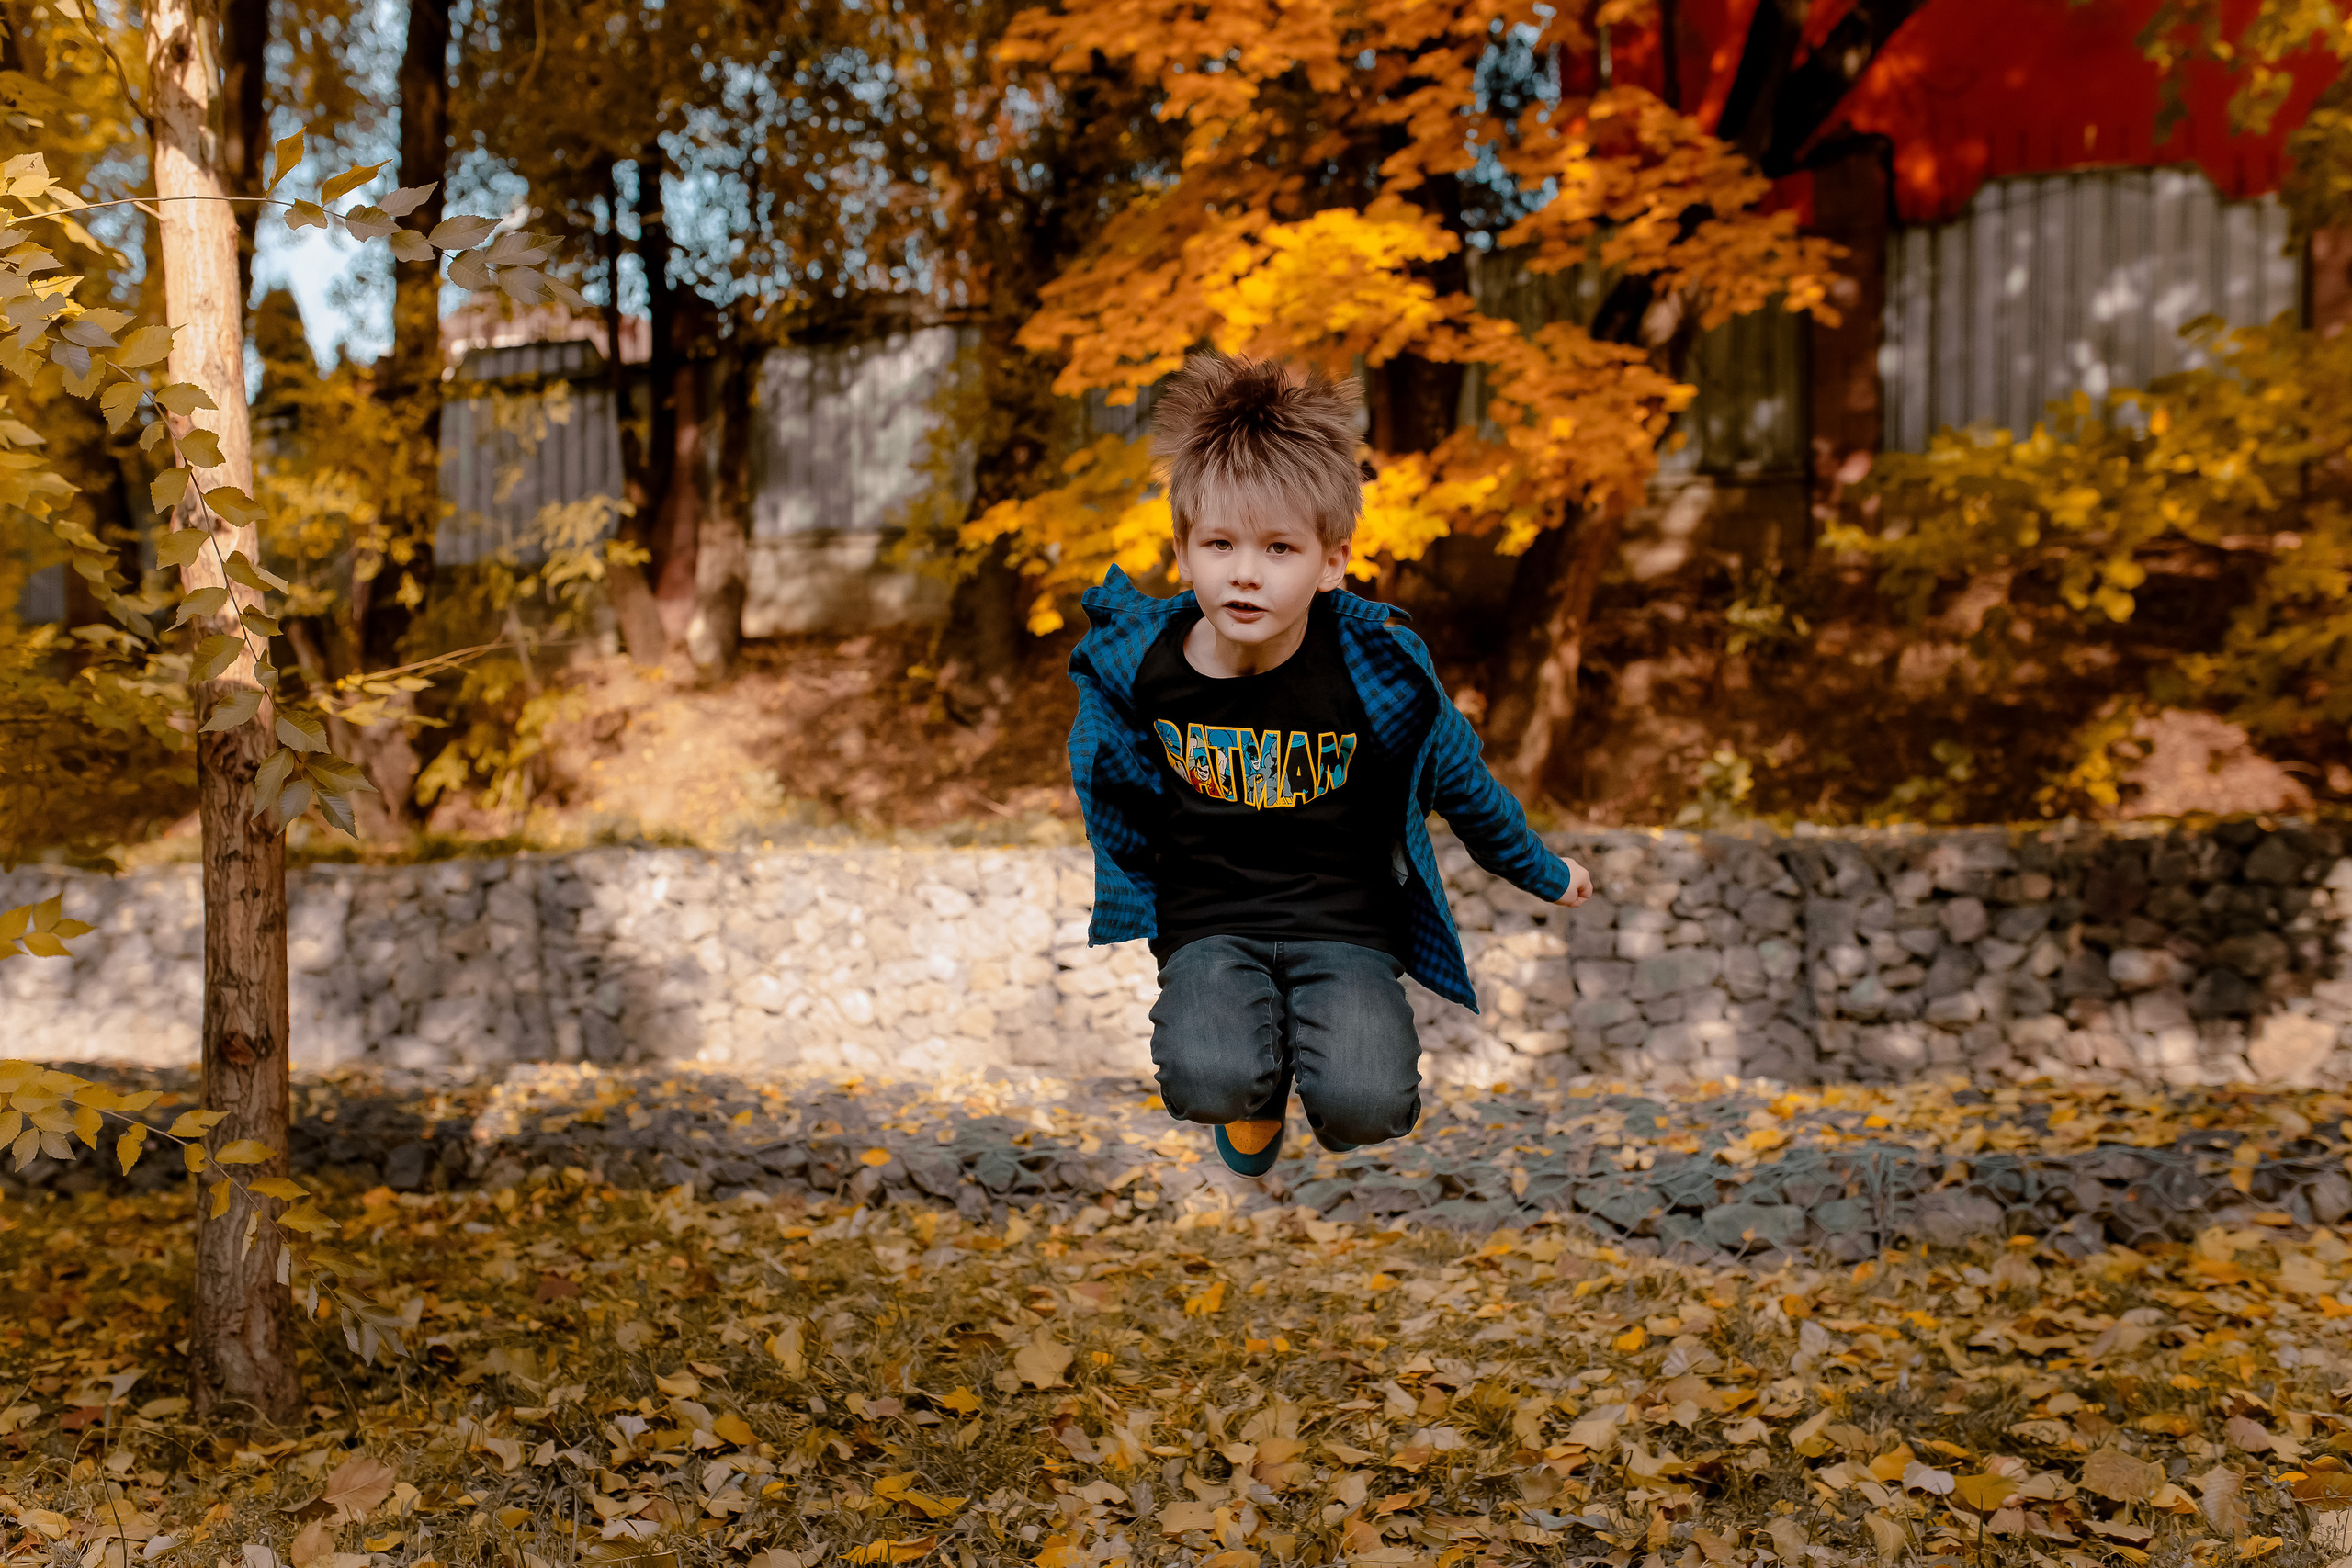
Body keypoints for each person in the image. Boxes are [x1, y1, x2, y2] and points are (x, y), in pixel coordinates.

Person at [1066, 352, 1594, 1176]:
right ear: (1183, 549)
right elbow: (1113, 785)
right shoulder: (1141, 665)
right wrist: (1136, 888)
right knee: (1209, 1078)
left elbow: (1460, 782)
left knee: (1367, 1108)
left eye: (1279, 547)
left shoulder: (1375, 670)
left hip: (1344, 926)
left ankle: (1332, 1095)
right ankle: (1250, 1095)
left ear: (1332, 561)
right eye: (1221, 543)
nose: (1246, 570)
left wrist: (1543, 868)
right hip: (1209, 925)